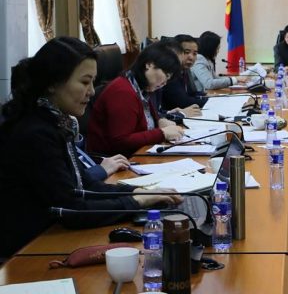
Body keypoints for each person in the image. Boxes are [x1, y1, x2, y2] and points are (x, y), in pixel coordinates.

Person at [0, 37, 181, 258]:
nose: (92, 92)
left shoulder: (56, 121)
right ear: (52, 83)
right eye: (85, 82)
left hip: (50, 236)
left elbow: (86, 184)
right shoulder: (35, 132)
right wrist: (135, 202)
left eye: (93, 82)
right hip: (27, 252)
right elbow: (71, 208)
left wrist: (138, 192)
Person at [87, 41, 184, 157]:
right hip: (115, 161)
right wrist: (162, 133)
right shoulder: (122, 91)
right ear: (149, 65)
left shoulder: (140, 88)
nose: (165, 83)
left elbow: (142, 123)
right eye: (166, 75)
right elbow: (121, 141)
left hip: (136, 155)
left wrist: (159, 122)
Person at [159, 35, 207, 115]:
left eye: (195, 54)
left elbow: (192, 93)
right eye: (186, 52)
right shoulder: (170, 72)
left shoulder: (185, 70)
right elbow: (182, 102)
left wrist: (207, 96)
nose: (191, 57)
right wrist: (210, 102)